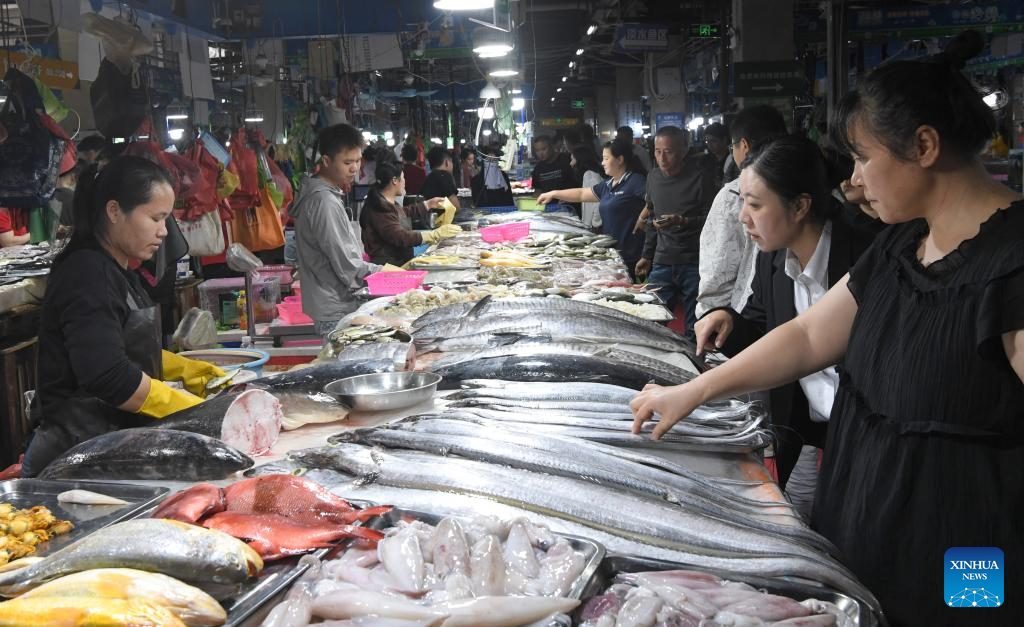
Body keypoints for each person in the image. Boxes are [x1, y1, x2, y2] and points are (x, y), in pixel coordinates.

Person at [630, 33, 1024, 626]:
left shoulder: (1012, 263)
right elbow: (811, 335)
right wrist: (694, 390)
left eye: (864, 158)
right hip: (867, 526)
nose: (857, 179)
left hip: (965, 552)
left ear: (923, 146)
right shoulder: (901, 244)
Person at [694, 135, 875, 513]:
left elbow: (809, 341)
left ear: (800, 207)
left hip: (868, 436)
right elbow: (769, 337)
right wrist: (728, 322)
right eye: (742, 201)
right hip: (809, 435)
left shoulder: (869, 256)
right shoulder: (773, 261)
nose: (744, 217)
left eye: (755, 205)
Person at [22, 156, 225, 476]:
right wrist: (189, 409)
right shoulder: (88, 274)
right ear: (115, 211)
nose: (163, 232)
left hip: (106, 444)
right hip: (73, 459)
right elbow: (107, 375)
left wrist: (187, 369)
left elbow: (118, 345)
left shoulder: (116, 267)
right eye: (156, 218)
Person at [696, 104, 787, 319]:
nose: (744, 217)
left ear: (743, 145)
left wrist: (711, 321)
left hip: (743, 318)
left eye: (754, 205)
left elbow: (718, 273)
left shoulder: (733, 193)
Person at [293, 123, 381, 339]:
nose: (355, 169)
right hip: (335, 307)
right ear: (326, 161)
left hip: (332, 303)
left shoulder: (325, 195)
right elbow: (346, 264)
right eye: (347, 162)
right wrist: (384, 274)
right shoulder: (324, 202)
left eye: (358, 161)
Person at [635, 126, 719, 339]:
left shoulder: (701, 178)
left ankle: (695, 370)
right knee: (650, 321)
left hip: (694, 262)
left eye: (669, 151)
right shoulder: (653, 177)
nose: (661, 157)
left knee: (694, 327)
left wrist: (683, 221)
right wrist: (647, 255)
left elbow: (714, 222)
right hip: (663, 261)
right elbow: (653, 216)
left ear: (683, 152)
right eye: (657, 151)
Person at [538, 139, 647, 279]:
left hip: (632, 252)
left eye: (606, 158)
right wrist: (553, 193)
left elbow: (654, 201)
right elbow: (582, 193)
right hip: (613, 251)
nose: (602, 163)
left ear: (620, 159)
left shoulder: (635, 181)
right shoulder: (608, 184)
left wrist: (643, 217)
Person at [360, 160, 462, 266]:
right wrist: (433, 235)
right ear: (395, 180)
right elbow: (400, 236)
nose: (405, 181)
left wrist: (428, 204)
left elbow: (403, 213)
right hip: (388, 268)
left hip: (399, 262)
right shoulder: (378, 208)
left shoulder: (387, 203)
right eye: (403, 177)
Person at [570, 145, 604, 231]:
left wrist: (595, 223)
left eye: (573, 159)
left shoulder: (589, 175)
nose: (571, 163)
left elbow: (598, 200)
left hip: (593, 227)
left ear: (580, 159)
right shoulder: (590, 173)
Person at [419, 146, 461, 211]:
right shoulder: (445, 176)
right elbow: (456, 207)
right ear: (446, 162)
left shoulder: (429, 178)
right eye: (451, 161)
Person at [703, 122, 732, 187]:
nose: (709, 145)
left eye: (714, 141)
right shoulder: (705, 161)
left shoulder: (732, 161)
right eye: (707, 141)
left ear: (724, 140)